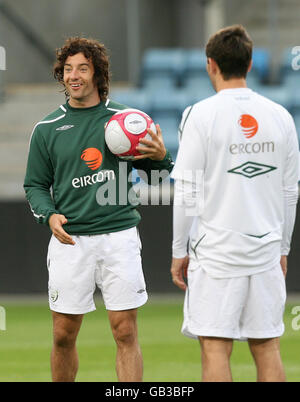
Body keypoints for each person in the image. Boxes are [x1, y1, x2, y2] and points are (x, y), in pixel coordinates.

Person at [24, 37, 173, 382]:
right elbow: (34, 185)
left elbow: (160, 175)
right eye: (67, 69)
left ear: (97, 73)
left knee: (125, 332)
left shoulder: (127, 122)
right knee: (63, 334)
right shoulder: (46, 129)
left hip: (118, 236)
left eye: (83, 68)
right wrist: (49, 214)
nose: (73, 75)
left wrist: (160, 155)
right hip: (70, 242)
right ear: (61, 75)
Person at [170, 25, 299, 382]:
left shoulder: (200, 114)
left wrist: (179, 250)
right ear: (251, 62)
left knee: (215, 346)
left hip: (216, 254)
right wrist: (283, 246)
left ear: (211, 64)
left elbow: (187, 190)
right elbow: (291, 190)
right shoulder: (281, 116)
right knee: (267, 346)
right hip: (266, 251)